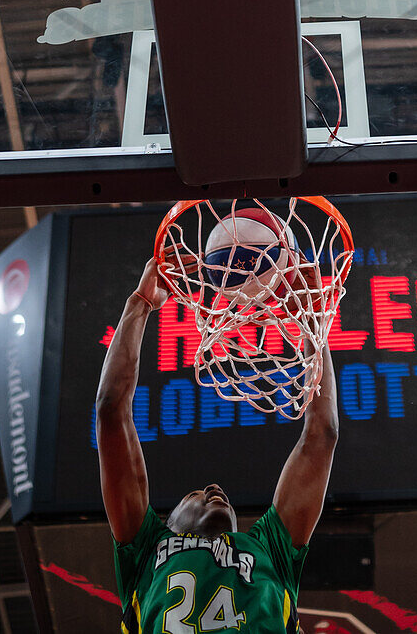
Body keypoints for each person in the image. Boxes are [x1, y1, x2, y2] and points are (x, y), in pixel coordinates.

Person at [96, 257, 339, 633]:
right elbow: (110, 410)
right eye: (195, 492)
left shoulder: (267, 548)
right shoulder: (144, 550)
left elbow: (323, 432)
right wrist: (139, 303)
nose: (214, 488)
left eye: (200, 490)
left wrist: (312, 323)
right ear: (170, 523)